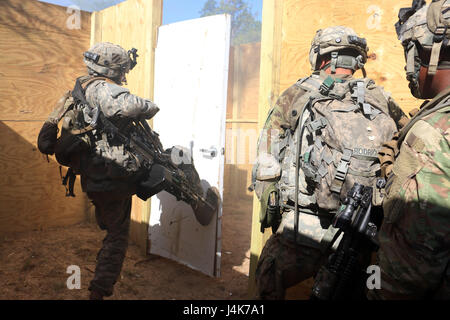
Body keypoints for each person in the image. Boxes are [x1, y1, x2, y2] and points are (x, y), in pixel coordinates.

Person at [250, 26, 407, 299]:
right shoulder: (380, 98)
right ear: (357, 60)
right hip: (361, 228)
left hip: (303, 224)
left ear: (320, 56)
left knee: (268, 276)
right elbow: (405, 145)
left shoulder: (297, 94)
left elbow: (266, 153)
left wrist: (272, 209)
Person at [38, 42, 159, 300]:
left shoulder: (78, 88)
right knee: (117, 236)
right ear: (109, 69)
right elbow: (131, 106)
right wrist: (152, 106)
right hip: (109, 177)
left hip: (93, 176)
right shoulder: (102, 89)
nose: (124, 74)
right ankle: (99, 291)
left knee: (110, 222)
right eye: (121, 69)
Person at [369, 0, 450, 300]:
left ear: (428, 53)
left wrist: (373, 285)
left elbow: (406, 274)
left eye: (410, 51)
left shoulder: (430, 134)